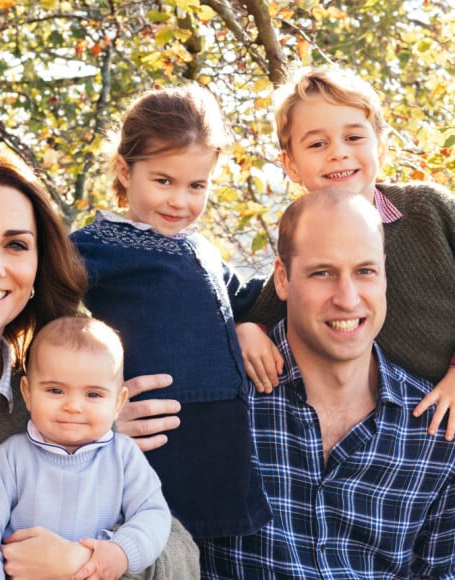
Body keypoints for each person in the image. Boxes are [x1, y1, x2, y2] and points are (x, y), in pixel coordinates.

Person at [0, 146, 199, 579]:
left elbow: (183, 559)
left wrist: (84, 565)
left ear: (36, 267)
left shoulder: (64, 393)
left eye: (16, 245)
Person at [200, 188, 455, 578]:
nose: (348, 298)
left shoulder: (434, 433)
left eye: (365, 271)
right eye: (323, 273)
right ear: (283, 279)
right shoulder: (219, 400)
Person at [70, 84, 276, 540]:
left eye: (196, 186)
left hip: (222, 452)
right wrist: (87, 402)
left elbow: (247, 297)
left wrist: (251, 323)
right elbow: (41, 310)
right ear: (125, 171)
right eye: (163, 181)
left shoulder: (200, 247)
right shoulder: (98, 245)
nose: (180, 201)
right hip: (157, 445)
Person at [237, 65, 455, 439]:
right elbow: (267, 312)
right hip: (408, 434)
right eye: (318, 144)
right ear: (290, 163)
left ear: (380, 146)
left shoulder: (430, 211)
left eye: (354, 137)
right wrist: (247, 331)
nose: (338, 154)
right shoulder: (306, 248)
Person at [0, 316, 171, 580]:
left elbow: (153, 514)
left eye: (93, 394)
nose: (73, 406)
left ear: (119, 402)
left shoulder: (124, 457)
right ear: (27, 393)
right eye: (56, 390)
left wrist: (121, 552)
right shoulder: (10, 459)